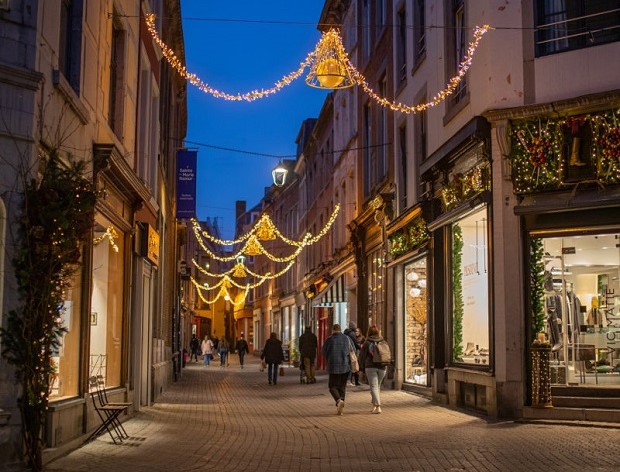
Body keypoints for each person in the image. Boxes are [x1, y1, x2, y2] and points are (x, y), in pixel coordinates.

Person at [321, 324, 354, 415]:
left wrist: (329, 358)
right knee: (342, 387)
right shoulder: (347, 339)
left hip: (333, 366)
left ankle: (339, 401)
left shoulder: (329, 339)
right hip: (345, 366)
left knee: (332, 386)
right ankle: (341, 408)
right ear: (340, 329)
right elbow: (353, 350)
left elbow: (323, 352)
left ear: (333, 330)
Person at [358, 325, 389, 414]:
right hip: (382, 367)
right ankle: (374, 406)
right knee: (377, 387)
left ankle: (378, 406)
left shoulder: (367, 342)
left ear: (369, 332)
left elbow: (362, 356)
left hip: (371, 367)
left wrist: (360, 367)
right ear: (378, 332)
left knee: (374, 387)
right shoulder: (383, 341)